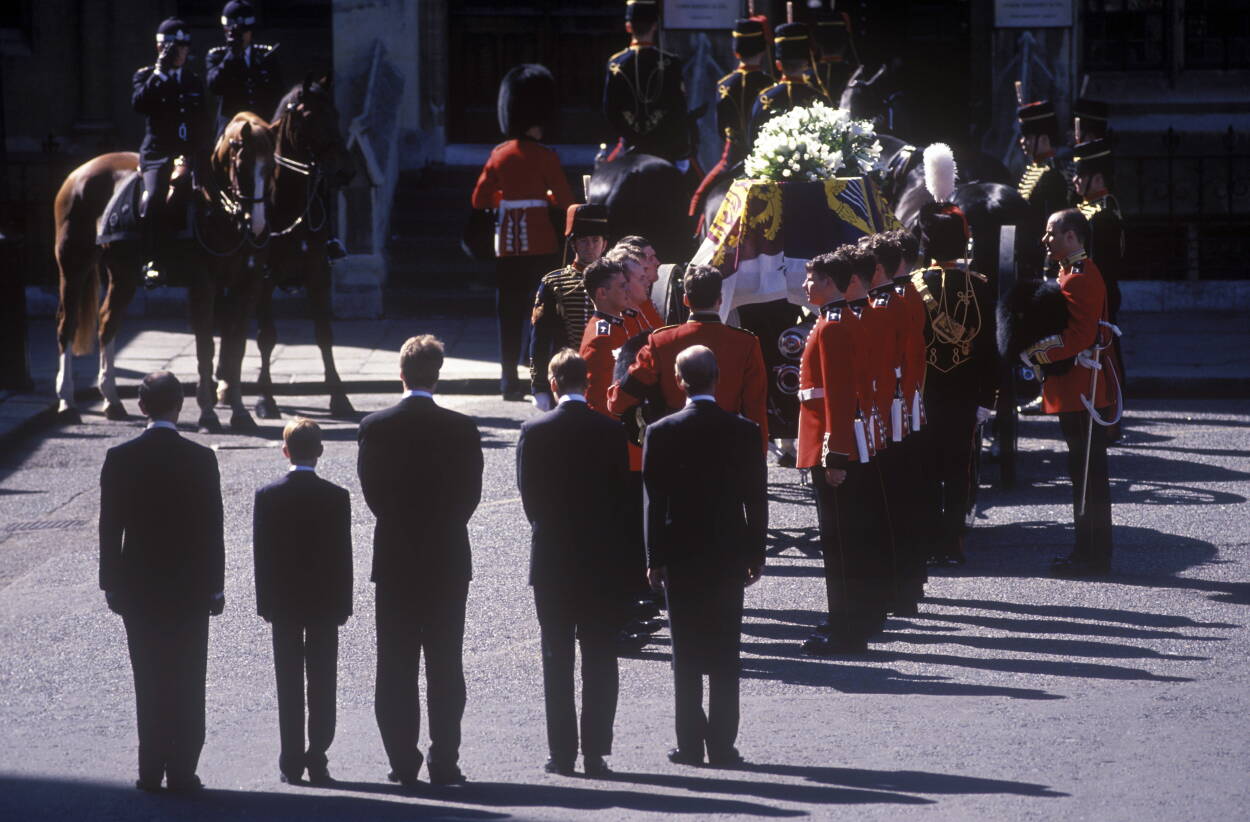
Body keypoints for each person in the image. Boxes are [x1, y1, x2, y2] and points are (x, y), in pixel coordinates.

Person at [357, 335, 484, 788]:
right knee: (446, 664)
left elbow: (372, 494)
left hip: (396, 556)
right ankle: (444, 759)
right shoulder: (462, 428)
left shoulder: (375, 426)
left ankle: (402, 761)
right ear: (437, 375)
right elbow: (471, 495)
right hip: (447, 554)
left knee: (396, 665)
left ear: (401, 374)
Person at [99, 371, 224, 793]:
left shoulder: (120, 457)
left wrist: (110, 583)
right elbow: (212, 528)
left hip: (139, 586)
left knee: (149, 679)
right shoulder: (200, 459)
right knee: (187, 679)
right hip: (190, 586)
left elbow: (109, 527)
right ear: (180, 405)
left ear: (141, 406)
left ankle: (150, 769)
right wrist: (216, 585)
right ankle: (183, 769)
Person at [643, 346, 767, 767]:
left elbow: (655, 502)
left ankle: (690, 744)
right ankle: (723, 744)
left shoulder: (661, 431)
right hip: (728, 549)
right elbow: (756, 499)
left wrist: (654, 556)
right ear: (717, 378)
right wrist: (756, 553)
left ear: (679, 381)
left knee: (686, 651)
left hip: (680, 550)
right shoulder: (744, 430)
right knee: (725, 650)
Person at [517, 349, 634, 778]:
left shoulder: (534, 431)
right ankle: (596, 751)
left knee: (557, 656)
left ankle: (562, 752)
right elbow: (622, 499)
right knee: (600, 656)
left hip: (553, 558)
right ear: (587, 383)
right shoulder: (610, 430)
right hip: (600, 559)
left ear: (552, 384)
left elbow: (530, 500)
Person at [795, 251, 891, 655]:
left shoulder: (832, 326)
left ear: (830, 283)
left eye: (812, 279)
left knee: (839, 545)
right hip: (845, 439)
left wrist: (834, 456)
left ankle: (845, 629)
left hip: (833, 444)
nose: (805, 286)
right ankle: (852, 618)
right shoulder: (840, 319)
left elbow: (837, 394)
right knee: (847, 540)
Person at [253, 417, 352, 786]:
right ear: (320, 451)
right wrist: (344, 604)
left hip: (284, 602)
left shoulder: (268, 495)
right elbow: (343, 555)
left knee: (289, 682)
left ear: (285, 451)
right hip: (325, 602)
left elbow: (262, 555)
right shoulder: (336, 496)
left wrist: (265, 603)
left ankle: (291, 760)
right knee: (323, 681)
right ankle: (318, 756)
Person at [471, 64, 576, 400]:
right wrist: (544, 199)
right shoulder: (545, 156)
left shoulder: (499, 154)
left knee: (508, 312)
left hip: (507, 245)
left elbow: (479, 199)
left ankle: (507, 380)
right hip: (541, 243)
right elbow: (566, 201)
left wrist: (507, 199)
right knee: (543, 313)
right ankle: (539, 376)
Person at [1025, 209, 1118, 576]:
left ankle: (1091, 554)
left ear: (1071, 236)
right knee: (1084, 473)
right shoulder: (1072, 272)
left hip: (1082, 389)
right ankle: (1091, 550)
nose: (1045, 240)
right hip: (1078, 387)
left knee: (1087, 476)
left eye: (1051, 233)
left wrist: (1035, 352)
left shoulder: (1078, 277)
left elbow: (1079, 337)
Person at [911, 202, 999, 565]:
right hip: (965, 392)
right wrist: (988, 397)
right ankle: (954, 542)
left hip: (924, 392)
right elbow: (989, 347)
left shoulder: (914, 286)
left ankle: (930, 539)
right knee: (959, 470)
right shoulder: (978, 285)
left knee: (927, 469)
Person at [607, 265, 769, 452]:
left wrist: (614, 399)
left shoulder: (660, 341)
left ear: (685, 300)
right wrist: (759, 455)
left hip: (674, 443)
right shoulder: (746, 343)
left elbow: (621, 399)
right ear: (720, 300)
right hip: (728, 445)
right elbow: (755, 408)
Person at [132, 18, 208, 288]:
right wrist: (160, 73)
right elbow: (139, 105)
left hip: (188, 154)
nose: (179, 53)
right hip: (158, 155)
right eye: (173, 48)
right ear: (160, 48)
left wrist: (198, 153)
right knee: (154, 198)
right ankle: (152, 260)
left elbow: (202, 119)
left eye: (184, 47)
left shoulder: (193, 81)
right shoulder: (146, 77)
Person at [529, 203, 609, 410]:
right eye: (583, 241)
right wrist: (539, 385)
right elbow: (540, 337)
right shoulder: (553, 282)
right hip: (566, 374)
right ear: (573, 244)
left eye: (595, 240)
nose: (590, 246)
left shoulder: (618, 279)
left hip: (606, 373)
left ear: (604, 244)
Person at [690, 18, 772, 215]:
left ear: (736, 52)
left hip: (732, 157)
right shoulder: (771, 84)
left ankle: (696, 228)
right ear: (762, 51)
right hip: (765, 158)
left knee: (699, 198)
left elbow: (721, 129)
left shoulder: (724, 85)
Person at [603, 0, 691, 168]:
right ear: (655, 26)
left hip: (629, 146)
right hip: (663, 146)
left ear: (628, 27)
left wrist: (631, 137)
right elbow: (678, 109)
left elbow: (610, 111)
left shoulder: (615, 63)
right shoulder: (671, 62)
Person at [205, 1, 282, 139]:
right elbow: (214, 86)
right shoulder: (217, 56)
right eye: (231, 31)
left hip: (261, 129)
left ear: (251, 30)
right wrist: (232, 55)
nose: (238, 35)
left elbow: (278, 93)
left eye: (243, 31)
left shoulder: (265, 56)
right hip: (230, 130)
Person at [748, 22, 831, 149]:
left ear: (778, 65)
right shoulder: (820, 99)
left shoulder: (764, 99)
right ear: (806, 64)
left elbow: (752, 142)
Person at [1015, 98, 1069, 278]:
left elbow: (1054, 221)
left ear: (1044, 139)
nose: (1022, 142)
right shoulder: (1034, 170)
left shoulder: (1052, 175)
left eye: (1028, 138)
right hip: (1027, 253)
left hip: (1041, 255)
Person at [578, 258, 633, 417]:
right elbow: (598, 399)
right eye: (622, 286)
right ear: (602, 293)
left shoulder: (613, 326)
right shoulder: (602, 338)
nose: (628, 290)